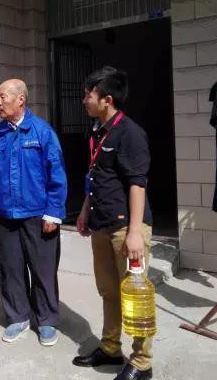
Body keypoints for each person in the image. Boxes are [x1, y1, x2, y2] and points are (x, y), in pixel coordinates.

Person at [73, 67, 154, 380]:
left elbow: (137, 184)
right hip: (101, 224)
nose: (84, 100)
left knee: (135, 294)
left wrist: (134, 232)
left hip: (126, 229)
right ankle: (110, 348)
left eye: (89, 95)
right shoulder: (98, 131)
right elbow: (96, 176)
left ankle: (142, 362)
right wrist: (84, 211)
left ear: (107, 100)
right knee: (109, 291)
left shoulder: (130, 133)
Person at [0, 78, 67, 346]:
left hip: (39, 215)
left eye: (2, 97)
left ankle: (46, 320)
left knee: (43, 270)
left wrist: (53, 212)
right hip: (7, 217)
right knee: (11, 270)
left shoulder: (42, 132)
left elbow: (57, 173)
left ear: (21, 100)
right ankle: (18, 317)